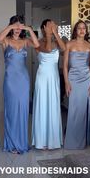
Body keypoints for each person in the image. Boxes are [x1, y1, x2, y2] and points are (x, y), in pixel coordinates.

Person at [0, 15, 39, 153]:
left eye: (20, 26)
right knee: (11, 110)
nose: (17, 29)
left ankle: (21, 142)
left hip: (23, 80)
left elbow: (37, 44)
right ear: (11, 27)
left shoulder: (25, 41)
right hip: (10, 81)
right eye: (15, 26)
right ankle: (11, 143)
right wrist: (11, 26)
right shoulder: (6, 41)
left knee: (22, 110)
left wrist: (27, 28)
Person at [32, 19, 65, 150]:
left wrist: (55, 33)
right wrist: (49, 35)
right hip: (42, 77)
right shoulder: (38, 42)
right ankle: (41, 141)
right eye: (50, 25)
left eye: (54, 24)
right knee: (42, 105)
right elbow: (48, 49)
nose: (52, 26)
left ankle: (53, 140)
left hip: (54, 77)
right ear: (44, 27)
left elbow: (64, 49)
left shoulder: (58, 40)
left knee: (53, 105)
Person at [63, 20, 90, 149]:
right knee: (74, 110)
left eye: (84, 28)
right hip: (73, 79)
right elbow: (65, 66)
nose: (82, 30)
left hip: (86, 79)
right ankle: (72, 140)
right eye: (79, 28)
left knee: (83, 110)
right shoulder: (69, 44)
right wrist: (66, 82)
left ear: (86, 31)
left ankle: (83, 140)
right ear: (75, 31)